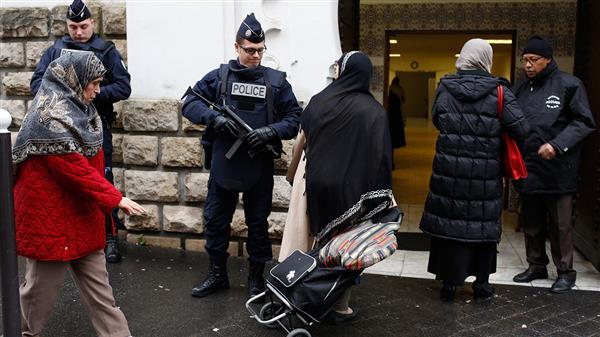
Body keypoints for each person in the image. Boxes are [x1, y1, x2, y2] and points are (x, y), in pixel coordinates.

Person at [13, 51, 145, 337]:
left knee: (103, 298)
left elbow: (89, 171)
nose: (98, 90)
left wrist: (108, 200)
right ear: (73, 79)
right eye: (94, 83)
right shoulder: (46, 118)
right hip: (49, 222)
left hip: (82, 218)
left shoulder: (83, 110)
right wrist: (116, 199)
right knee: (37, 297)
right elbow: (74, 171)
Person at [181, 13, 301, 300]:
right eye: (249, 50)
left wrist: (270, 132)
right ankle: (217, 275)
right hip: (224, 164)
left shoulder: (276, 83)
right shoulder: (219, 77)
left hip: (257, 165)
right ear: (237, 47)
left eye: (260, 50)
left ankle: (256, 279)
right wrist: (213, 119)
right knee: (215, 222)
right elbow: (190, 103)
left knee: (258, 225)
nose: (255, 55)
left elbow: (295, 117)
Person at [419, 39, 529, 302]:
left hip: (449, 172)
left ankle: (449, 283)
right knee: (482, 226)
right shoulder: (500, 91)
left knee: (450, 225)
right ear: (486, 59)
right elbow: (522, 129)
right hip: (485, 173)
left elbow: (437, 119)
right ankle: (481, 284)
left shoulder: (445, 88)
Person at [30, 0, 131, 263]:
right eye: (73, 27)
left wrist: (90, 95)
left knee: (101, 178)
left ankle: (110, 237)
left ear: (92, 24)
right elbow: (37, 84)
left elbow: (123, 87)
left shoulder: (105, 50)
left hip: (95, 125)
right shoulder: (56, 51)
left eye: (83, 26)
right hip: (61, 128)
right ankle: (71, 236)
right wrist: (69, 98)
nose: (78, 32)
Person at [301, 51, 396, 323]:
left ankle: (314, 296)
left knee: (324, 243)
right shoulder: (374, 111)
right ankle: (338, 306)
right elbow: (382, 157)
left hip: (319, 185)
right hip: (353, 192)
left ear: (342, 71)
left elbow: (305, 129)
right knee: (349, 247)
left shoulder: (319, 101)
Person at [511, 36, 596, 293]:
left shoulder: (570, 85)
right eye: (525, 60)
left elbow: (584, 122)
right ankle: (536, 264)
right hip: (529, 167)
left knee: (560, 225)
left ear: (548, 59)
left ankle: (565, 272)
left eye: (534, 60)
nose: (528, 65)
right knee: (532, 221)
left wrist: (557, 145)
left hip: (559, 169)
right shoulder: (521, 89)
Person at [388, 76, 407, 150]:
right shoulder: (400, 88)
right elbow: (404, 99)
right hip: (398, 109)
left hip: (390, 110)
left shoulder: (390, 88)